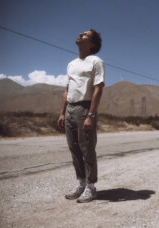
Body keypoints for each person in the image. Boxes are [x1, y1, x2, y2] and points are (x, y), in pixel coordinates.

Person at [57, 29, 105, 203]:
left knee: (87, 149)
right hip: (70, 107)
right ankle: (80, 183)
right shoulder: (72, 64)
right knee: (74, 148)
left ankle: (91, 187)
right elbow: (67, 89)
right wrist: (62, 112)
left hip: (85, 108)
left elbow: (99, 88)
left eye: (85, 35)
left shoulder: (96, 62)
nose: (80, 34)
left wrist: (90, 115)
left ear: (92, 44)